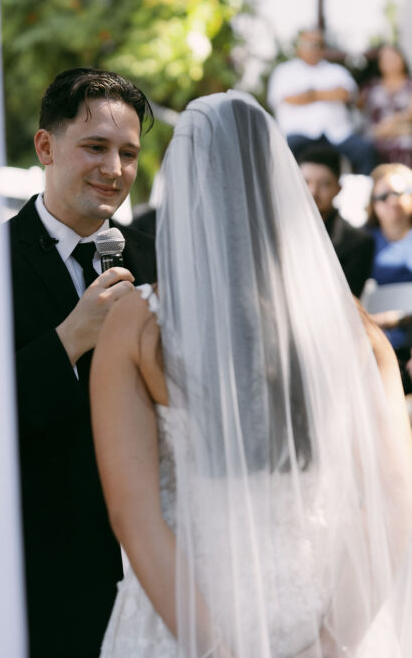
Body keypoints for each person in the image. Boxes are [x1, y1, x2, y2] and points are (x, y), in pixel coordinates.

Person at [91, 91, 412, 658]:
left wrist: (212, 648)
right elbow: (393, 500)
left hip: (180, 623)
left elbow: (133, 515)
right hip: (323, 618)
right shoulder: (361, 336)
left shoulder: (137, 326)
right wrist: (331, 643)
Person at [9, 68, 157, 658]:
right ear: (46, 146)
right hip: (39, 557)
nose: (114, 170)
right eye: (95, 147)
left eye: (128, 153)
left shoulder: (156, 256)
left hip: (147, 558)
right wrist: (70, 338)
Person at [267, 28, 378, 173]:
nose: (313, 49)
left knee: (366, 151)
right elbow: (289, 99)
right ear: (298, 47)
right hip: (298, 133)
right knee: (283, 154)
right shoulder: (284, 71)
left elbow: (346, 94)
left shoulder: (337, 71)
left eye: (318, 44)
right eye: (308, 44)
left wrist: (310, 94)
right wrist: (328, 93)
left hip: (337, 133)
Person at [298, 143, 374, 296]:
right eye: (305, 182)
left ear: (338, 189)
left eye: (324, 184)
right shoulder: (274, 230)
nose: (313, 192)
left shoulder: (357, 242)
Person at [366, 162, 412, 394]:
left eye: (398, 193)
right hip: (372, 332)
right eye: (382, 196)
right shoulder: (362, 242)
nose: (390, 201)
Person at [360, 44, 412, 167]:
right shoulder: (371, 87)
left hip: (404, 131)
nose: (390, 63)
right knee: (364, 148)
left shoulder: (410, 85)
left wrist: (394, 122)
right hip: (376, 133)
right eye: (386, 59)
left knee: (405, 144)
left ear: (402, 59)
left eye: (393, 58)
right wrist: (380, 131)